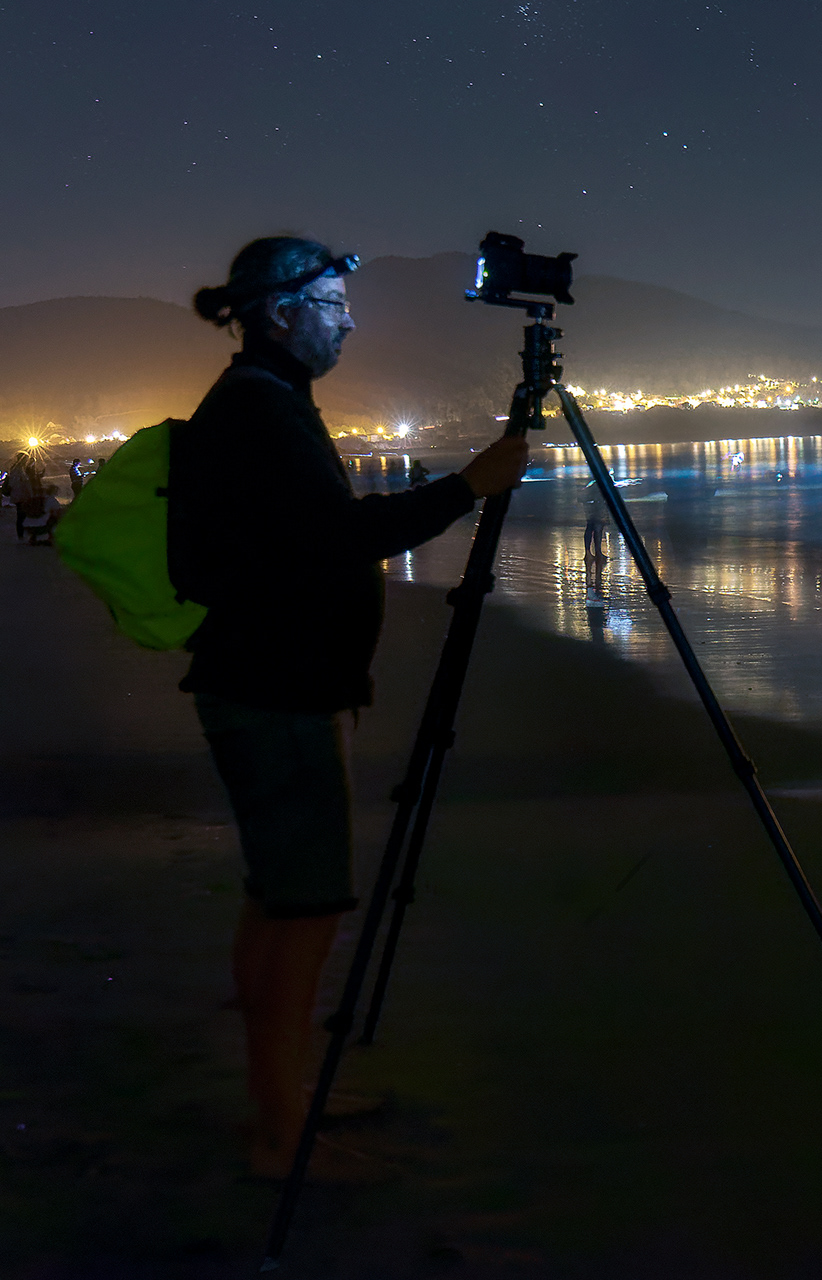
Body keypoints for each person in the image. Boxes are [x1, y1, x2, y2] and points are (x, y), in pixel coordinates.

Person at [171, 237, 529, 1181]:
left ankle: (280, 1101)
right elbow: (339, 537)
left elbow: (301, 538)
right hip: (276, 695)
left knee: (276, 901)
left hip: (264, 684)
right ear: (282, 312)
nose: (349, 318)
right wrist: (466, 489)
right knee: (307, 909)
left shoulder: (263, 401)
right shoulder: (261, 411)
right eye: (332, 301)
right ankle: (280, 1137)